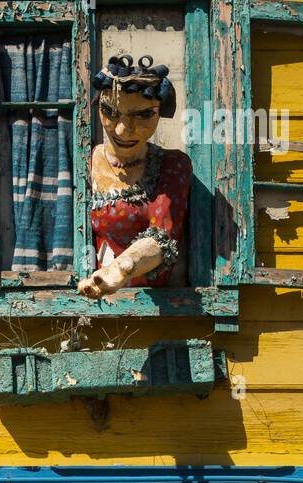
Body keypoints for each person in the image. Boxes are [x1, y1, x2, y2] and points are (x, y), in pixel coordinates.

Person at [78, 54, 192, 301]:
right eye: (110, 112)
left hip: (153, 308)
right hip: (89, 304)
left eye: (142, 116)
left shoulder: (172, 166)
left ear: (161, 112)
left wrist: (122, 268)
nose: (122, 130)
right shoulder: (81, 163)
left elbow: (162, 236)